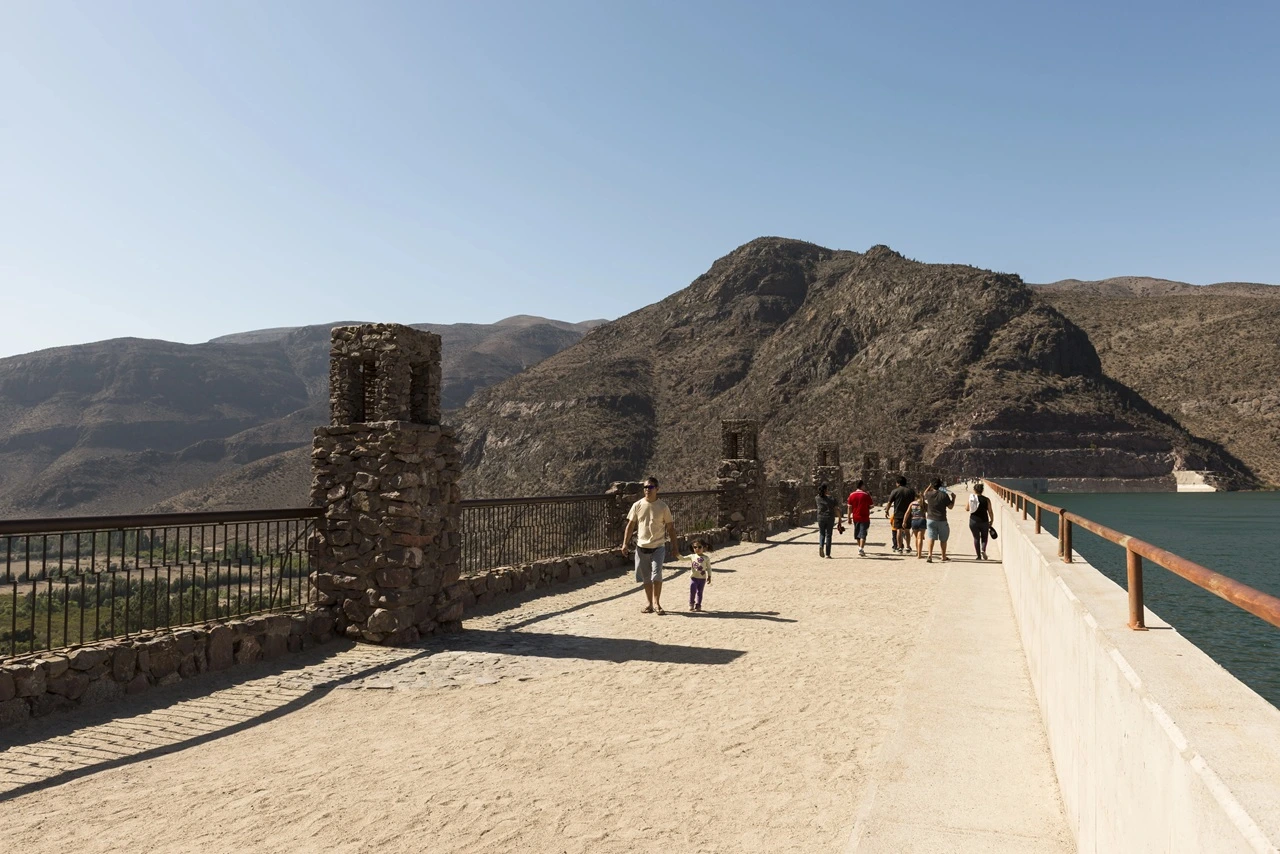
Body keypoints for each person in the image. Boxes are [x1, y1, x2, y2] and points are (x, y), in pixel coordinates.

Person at [621, 476, 680, 615]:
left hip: (658, 546)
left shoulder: (663, 507)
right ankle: (649, 604)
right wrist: (625, 543)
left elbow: (670, 528)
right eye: (645, 487)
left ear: (657, 489)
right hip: (641, 547)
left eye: (650, 487)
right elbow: (630, 525)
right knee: (646, 577)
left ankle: (657, 603)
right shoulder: (637, 505)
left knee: (656, 576)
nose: (647, 489)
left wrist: (675, 547)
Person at [923, 478, 955, 563]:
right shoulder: (944, 495)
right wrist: (953, 498)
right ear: (940, 485)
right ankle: (943, 556)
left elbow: (924, 494)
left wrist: (930, 485)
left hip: (930, 519)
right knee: (943, 539)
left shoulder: (929, 494)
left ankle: (930, 555)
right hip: (941, 519)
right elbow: (950, 507)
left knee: (931, 538)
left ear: (932, 486)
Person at [885, 476, 917, 554]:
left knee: (898, 530)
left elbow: (889, 502)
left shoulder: (895, 491)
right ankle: (908, 546)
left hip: (898, 513)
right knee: (907, 530)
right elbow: (915, 502)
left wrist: (887, 511)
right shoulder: (911, 491)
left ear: (898, 483)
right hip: (909, 513)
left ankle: (899, 547)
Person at [968, 483, 994, 560]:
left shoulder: (971, 499)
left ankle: (978, 556)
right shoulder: (987, 499)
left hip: (973, 521)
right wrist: (992, 520)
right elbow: (990, 511)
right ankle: (983, 549)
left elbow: (966, 508)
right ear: (982, 490)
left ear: (974, 490)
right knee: (984, 537)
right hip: (984, 521)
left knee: (976, 538)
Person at [846, 479, 872, 557]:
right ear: (861, 486)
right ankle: (861, 548)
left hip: (855, 517)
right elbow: (871, 505)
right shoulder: (866, 495)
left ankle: (860, 547)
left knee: (857, 533)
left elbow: (849, 507)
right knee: (863, 533)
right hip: (864, 517)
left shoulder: (851, 495)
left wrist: (849, 517)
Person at [815, 483, 840, 558]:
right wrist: (839, 517)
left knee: (822, 533)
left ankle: (821, 545)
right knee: (828, 535)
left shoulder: (817, 498)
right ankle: (827, 554)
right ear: (826, 490)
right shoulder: (832, 499)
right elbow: (836, 509)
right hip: (830, 517)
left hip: (820, 517)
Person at [689, 538, 712, 611]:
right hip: (694, 577)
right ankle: (691, 604)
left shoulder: (706, 558)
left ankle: (698, 605)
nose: (697, 549)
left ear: (704, 547)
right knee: (692, 591)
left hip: (702, 578)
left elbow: (709, 568)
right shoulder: (692, 556)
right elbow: (682, 558)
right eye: (695, 547)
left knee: (700, 592)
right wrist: (677, 554)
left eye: (699, 547)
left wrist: (709, 576)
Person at [907, 490, 927, 558]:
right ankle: (919, 554)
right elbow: (930, 512)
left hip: (914, 521)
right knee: (920, 538)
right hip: (922, 520)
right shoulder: (923, 504)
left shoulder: (912, 504)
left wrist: (904, 521)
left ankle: (917, 552)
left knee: (916, 538)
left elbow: (907, 513)